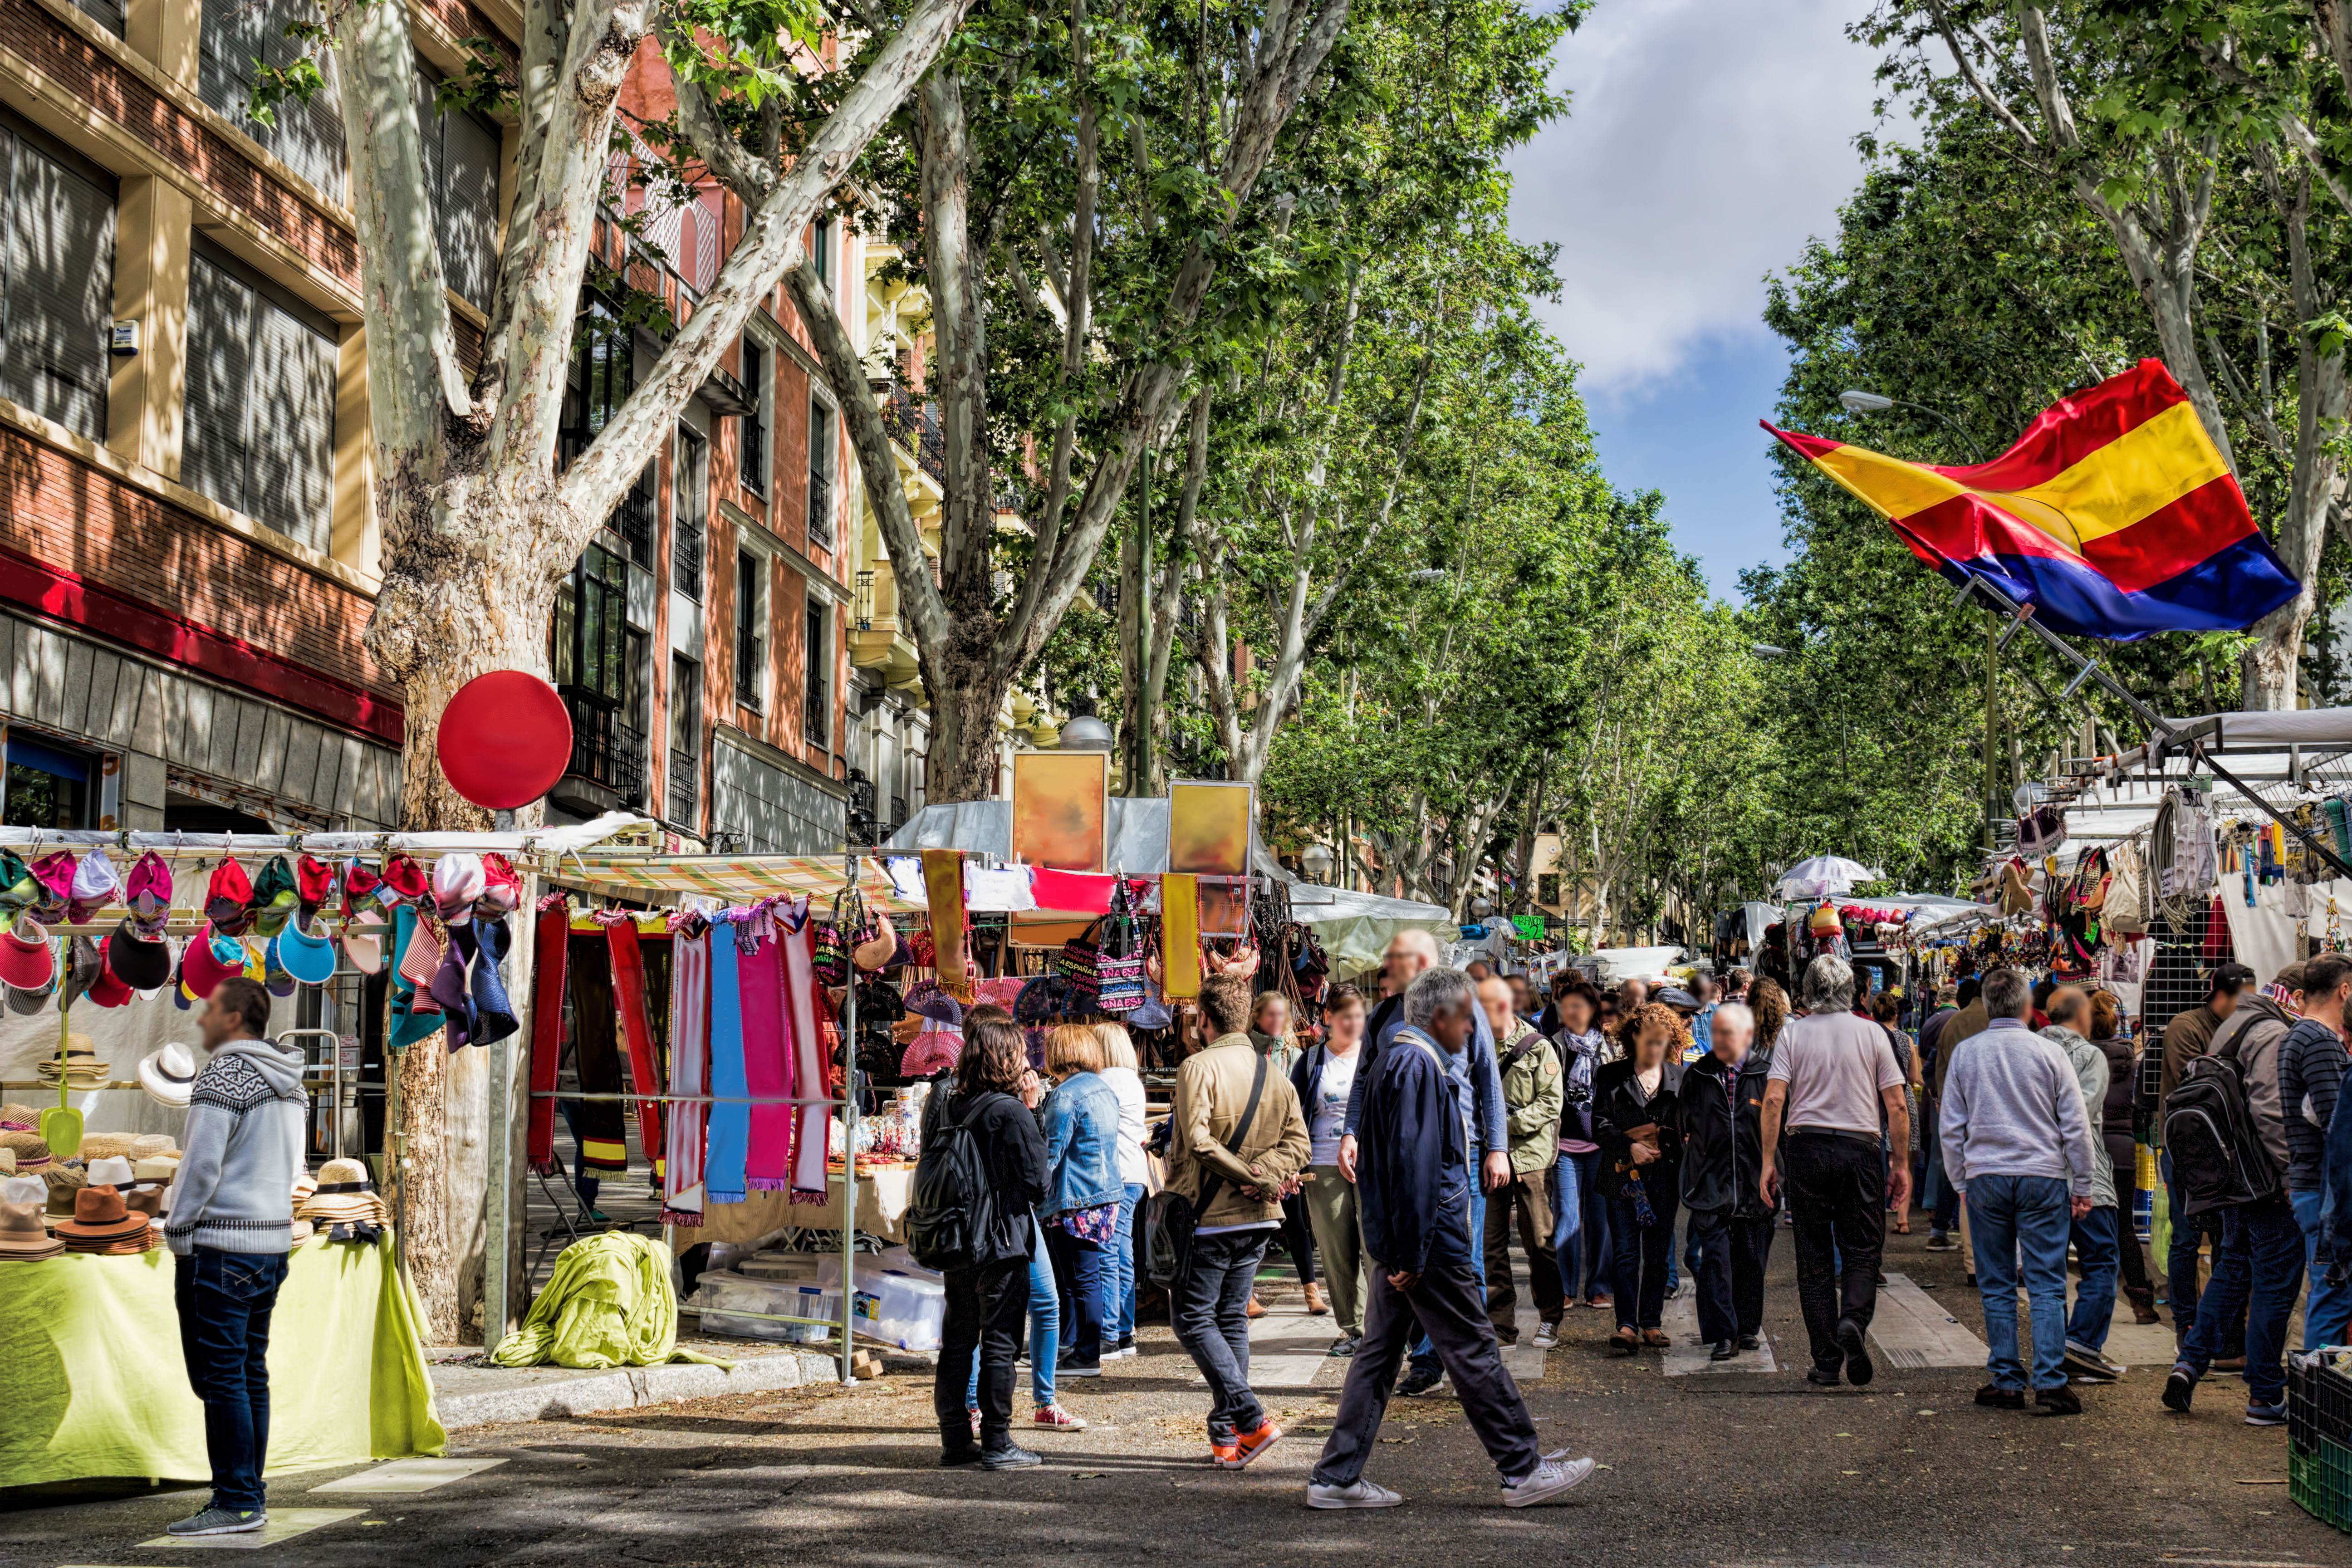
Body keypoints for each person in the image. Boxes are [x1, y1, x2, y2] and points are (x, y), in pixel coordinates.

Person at [1306, 967, 1596, 1510]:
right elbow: (1413, 1169)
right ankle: (1521, 1466)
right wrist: (1410, 1254)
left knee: (1380, 1352)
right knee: (1472, 1347)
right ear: (1441, 1017)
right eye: (1467, 1019)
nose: (1473, 1031)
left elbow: (1392, 1165)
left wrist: (1396, 1249)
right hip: (1428, 1240)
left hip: (1410, 1240)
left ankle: (1337, 1476)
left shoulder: (1404, 1058)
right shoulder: (1417, 1064)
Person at [161, 975, 306, 1538]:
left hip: (222, 1246)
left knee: (222, 1378)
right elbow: (294, 1171)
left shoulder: (223, 1074)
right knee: (248, 1373)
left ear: (235, 1018)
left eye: (209, 1010)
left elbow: (199, 1166)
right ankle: (249, 1492)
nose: (200, 1019)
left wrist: (178, 1231)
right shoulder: (292, 1082)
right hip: (270, 1242)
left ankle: (238, 1500)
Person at [1338, 927, 1509, 1399]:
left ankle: (1443, 1359)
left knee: (1457, 1259)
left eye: (1402, 958)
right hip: (1396, 1157)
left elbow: (1487, 1079)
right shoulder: (1383, 1017)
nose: (1391, 965)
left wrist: (1498, 1147)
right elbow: (1362, 1081)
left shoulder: (1462, 1011)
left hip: (1460, 1154)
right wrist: (1352, 1132)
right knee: (1403, 1261)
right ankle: (1434, 1356)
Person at [1940, 968, 2099, 1416]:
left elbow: (1952, 1128)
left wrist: (1960, 1184)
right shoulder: (2049, 1054)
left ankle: (2007, 1379)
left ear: (1989, 1007)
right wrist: (2082, 1185)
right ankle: (2050, 1380)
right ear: (2029, 1008)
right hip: (2043, 1176)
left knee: (1996, 1284)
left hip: (1986, 1176)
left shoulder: (1967, 1055)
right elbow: (2075, 1126)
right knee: (2047, 1283)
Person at [1168, 971, 1312, 1468]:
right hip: (1259, 1217)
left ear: (1203, 1019)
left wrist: (1255, 1173)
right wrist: (1267, 1175)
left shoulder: (1197, 1067)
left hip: (1210, 1216)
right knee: (1229, 1320)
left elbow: (1199, 1140)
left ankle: (1249, 1418)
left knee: (1191, 1319)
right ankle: (1228, 1437)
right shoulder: (1272, 1072)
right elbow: (1300, 1144)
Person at [1758, 955, 1911, 1389]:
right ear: (1853, 991)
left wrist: (1769, 1161)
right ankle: (1854, 1323)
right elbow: (1897, 1105)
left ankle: (1826, 1361)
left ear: (1807, 989)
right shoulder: (1873, 1034)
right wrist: (1900, 1165)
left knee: (1814, 1258)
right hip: (1860, 1148)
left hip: (1805, 1146)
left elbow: (1773, 1100)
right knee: (1863, 1249)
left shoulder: (1793, 1033)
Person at [933, 1014, 1053, 1470]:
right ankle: (999, 1442)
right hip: (1001, 1239)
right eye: (1019, 1051)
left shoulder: (951, 1104)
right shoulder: (1010, 1111)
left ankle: (956, 1439)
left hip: (958, 1237)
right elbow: (1038, 1182)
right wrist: (1034, 1108)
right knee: (1000, 1339)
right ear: (1006, 1059)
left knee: (959, 1338)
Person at [2158, 961, 2256, 1353]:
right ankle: (2186, 1322)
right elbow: (2203, 1084)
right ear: (2220, 995)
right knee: (2185, 1238)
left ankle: (2223, 1329)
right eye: (2241, 998)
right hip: (2187, 1151)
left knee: (2224, 1239)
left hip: (2227, 1152)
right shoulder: (2186, 1025)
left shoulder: (2240, 1026)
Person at [1679, 1000, 1773, 1359]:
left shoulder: (1767, 1074)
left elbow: (1781, 1128)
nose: (1720, 1039)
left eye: (1728, 1033)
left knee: (1751, 1260)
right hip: (1710, 1185)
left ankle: (1747, 1328)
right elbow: (1684, 1126)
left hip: (1754, 1185)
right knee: (1714, 1261)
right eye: (1716, 1032)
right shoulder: (1699, 1075)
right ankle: (1722, 1334)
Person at [2039, 986, 2124, 1384]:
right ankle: (2082, 1346)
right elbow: (2081, 1116)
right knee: (2102, 1260)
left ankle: (2055, 1351)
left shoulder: (2030, 1049)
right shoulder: (2090, 1056)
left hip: (2037, 1174)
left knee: (2049, 1267)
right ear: (2083, 1017)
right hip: (2083, 1173)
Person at [1595, 1002, 1687, 1355]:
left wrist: (1675, 1143)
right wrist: (1629, 1146)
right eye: (1650, 1041)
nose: (1656, 1048)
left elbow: (1689, 1126)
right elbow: (1599, 1124)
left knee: (1659, 1254)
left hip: (1665, 1177)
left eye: (1663, 1042)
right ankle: (1626, 1325)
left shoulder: (1680, 1077)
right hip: (1621, 1176)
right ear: (1633, 1036)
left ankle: (1651, 1322)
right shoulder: (1610, 1075)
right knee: (1625, 1253)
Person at [1479, 974, 1564, 1346]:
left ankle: (1550, 1317)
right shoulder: (1475, 1046)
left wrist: (1503, 1127)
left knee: (1539, 1242)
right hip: (1489, 1160)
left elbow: (1550, 1103)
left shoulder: (1537, 1046)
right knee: (1491, 1246)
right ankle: (1501, 1326)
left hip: (1531, 1159)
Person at [1294, 985, 1372, 1356]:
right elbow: (1292, 1115)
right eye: (1345, 1016)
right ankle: (1355, 1329)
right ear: (1328, 1017)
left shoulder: (1375, 1058)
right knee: (1338, 1253)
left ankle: (1385, 1328)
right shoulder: (1310, 1061)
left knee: (1376, 1249)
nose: (1353, 1023)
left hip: (1371, 1166)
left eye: (1359, 1015)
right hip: (1323, 1164)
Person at [2282, 953, 2352, 1354]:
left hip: (2314, 1185)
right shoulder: (2318, 1041)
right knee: (2331, 1296)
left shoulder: (2300, 1036)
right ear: (2345, 990)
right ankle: (2321, 1403)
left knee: (2329, 1294)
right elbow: (2336, 1121)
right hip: (2322, 1189)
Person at [1247, 991, 1320, 1316]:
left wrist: (1291, 1162)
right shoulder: (1247, 1051)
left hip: (1286, 1147)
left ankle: (1311, 1291)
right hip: (1254, 1148)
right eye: (1270, 1015)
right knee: (1252, 1224)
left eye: (1281, 1015)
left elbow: (1299, 1112)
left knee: (1295, 1223)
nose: (1277, 1021)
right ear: (1258, 1017)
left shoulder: (1294, 1055)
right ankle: (1247, 1295)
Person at [2089, 990, 2159, 1324]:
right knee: (2124, 1227)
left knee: (2078, 1224)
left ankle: (2089, 1299)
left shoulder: (2081, 1059)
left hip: (2088, 1150)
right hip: (2123, 1152)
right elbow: (2143, 1111)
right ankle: (2143, 1302)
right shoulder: (2134, 1063)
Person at [1548, 980, 1615, 1317]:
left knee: (1600, 1220)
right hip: (1565, 1147)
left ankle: (1599, 1287)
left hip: (1600, 1146)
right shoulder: (1553, 1046)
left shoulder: (1608, 1048)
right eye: (1567, 1005)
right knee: (1567, 1218)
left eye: (1579, 1005)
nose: (1572, 1012)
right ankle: (1564, 1288)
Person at [1092, 1022, 1151, 1359]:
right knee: (1123, 1250)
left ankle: (1110, 1333)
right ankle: (1125, 1331)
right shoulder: (1133, 1080)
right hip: (1135, 1173)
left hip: (1114, 1175)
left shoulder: (1105, 1080)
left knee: (1108, 1251)